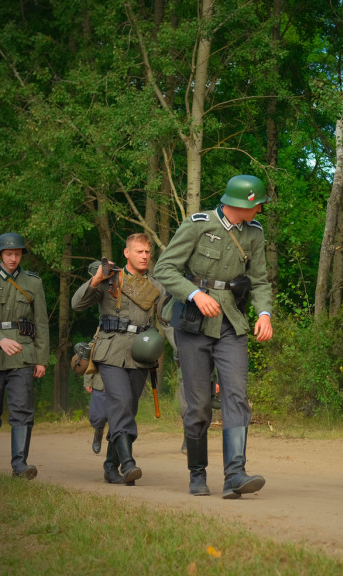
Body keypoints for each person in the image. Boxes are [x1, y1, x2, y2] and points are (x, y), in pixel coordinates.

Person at [153, 175, 273, 499]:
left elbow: (260, 280)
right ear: (241, 204)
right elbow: (164, 269)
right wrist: (193, 294)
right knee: (199, 405)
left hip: (231, 324)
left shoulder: (254, 234)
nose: (261, 208)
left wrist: (264, 314)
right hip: (193, 325)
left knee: (236, 395)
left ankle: (235, 474)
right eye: (258, 203)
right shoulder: (198, 225)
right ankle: (197, 473)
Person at [72, 234, 164, 486]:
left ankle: (111, 466)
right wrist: (96, 279)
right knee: (121, 402)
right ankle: (128, 463)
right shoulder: (110, 279)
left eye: (147, 252)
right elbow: (77, 304)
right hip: (110, 351)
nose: (144, 256)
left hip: (140, 353)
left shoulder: (155, 286)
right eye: (139, 251)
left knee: (127, 409)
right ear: (126, 253)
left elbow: (166, 321)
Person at [0, 233, 49, 479]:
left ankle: (20, 466)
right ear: (0, 255)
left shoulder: (33, 283)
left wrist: (41, 358)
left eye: (17, 253)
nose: (13, 258)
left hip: (22, 355)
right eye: (8, 253)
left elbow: (41, 323)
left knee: (22, 410)